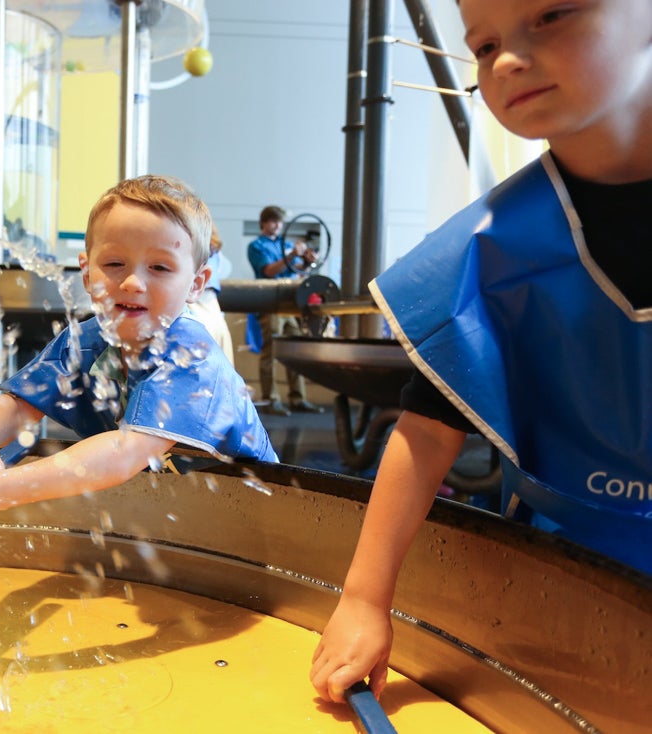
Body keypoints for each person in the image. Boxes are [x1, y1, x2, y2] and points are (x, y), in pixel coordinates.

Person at [310, 0, 652, 705]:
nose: (506, 60)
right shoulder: (488, 251)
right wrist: (365, 599)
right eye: (484, 42)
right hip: (563, 575)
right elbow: (426, 430)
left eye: (552, 15)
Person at [0, 175, 279, 526]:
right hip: (177, 514)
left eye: (159, 267)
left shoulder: (192, 356)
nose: (132, 283)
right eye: (114, 264)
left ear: (195, 284)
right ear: (87, 273)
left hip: (259, 518)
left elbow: (126, 453)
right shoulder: (87, 341)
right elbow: (17, 405)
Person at [246, 205, 322, 415]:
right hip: (270, 304)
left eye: (279, 221)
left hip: (291, 305)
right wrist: (290, 257)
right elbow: (269, 271)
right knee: (270, 351)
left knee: (295, 351)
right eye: (273, 221)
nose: (277, 225)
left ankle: (298, 398)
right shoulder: (256, 246)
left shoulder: (286, 244)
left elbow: (299, 272)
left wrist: (307, 262)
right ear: (263, 223)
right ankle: (271, 399)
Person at [187, 224, 235, 365]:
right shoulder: (215, 252)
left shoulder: (192, 247)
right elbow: (223, 270)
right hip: (211, 301)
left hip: (195, 299)